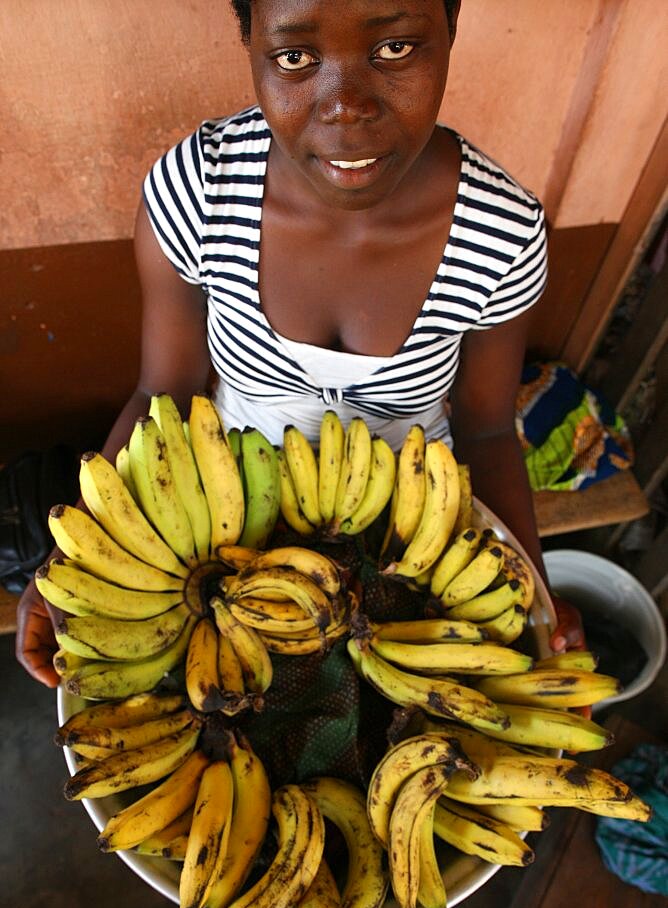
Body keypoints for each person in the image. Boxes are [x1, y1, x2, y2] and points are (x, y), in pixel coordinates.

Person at [16, 0, 585, 688]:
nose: (345, 105)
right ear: (250, 46)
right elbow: (160, 394)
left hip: (409, 526)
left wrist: (536, 601)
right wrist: (75, 563)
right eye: (295, 58)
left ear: (452, 28)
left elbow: (489, 431)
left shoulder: (502, 234)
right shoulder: (199, 191)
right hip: (224, 512)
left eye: (396, 49)